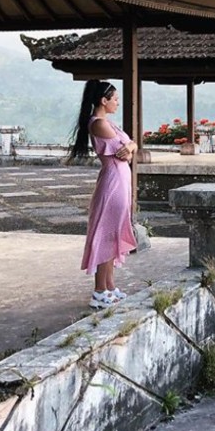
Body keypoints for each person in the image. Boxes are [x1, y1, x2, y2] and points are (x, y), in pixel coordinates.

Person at [68, 80, 138, 308]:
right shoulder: (99, 124)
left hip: (119, 181)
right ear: (103, 100)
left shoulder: (108, 123)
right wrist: (130, 147)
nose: (117, 102)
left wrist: (130, 147)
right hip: (113, 184)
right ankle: (99, 290)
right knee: (107, 234)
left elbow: (131, 146)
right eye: (115, 99)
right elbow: (124, 153)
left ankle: (109, 286)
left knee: (114, 233)